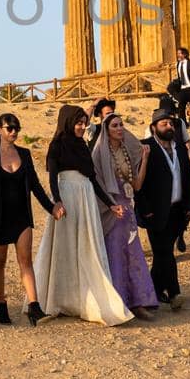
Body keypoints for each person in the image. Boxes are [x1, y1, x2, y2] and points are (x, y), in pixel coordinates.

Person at [34, 104, 133, 326]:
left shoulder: (82, 145)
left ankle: (85, 299)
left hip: (85, 196)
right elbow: (52, 178)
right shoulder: (57, 145)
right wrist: (56, 201)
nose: (82, 127)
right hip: (67, 197)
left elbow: (92, 179)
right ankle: (61, 298)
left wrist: (110, 204)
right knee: (65, 247)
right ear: (68, 123)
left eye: (84, 123)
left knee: (87, 247)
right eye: (78, 123)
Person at [0, 112, 57, 326]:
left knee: (25, 260)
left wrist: (51, 207)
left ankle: (34, 306)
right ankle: (1, 302)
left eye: (17, 128)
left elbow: (36, 186)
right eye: (9, 128)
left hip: (21, 215)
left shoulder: (25, 154)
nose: (14, 132)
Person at [89, 113, 158, 319]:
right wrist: (111, 205)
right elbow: (97, 184)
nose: (120, 129)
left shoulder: (127, 151)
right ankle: (118, 303)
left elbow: (136, 184)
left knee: (134, 254)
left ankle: (139, 301)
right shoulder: (99, 153)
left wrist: (144, 160)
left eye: (121, 125)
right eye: (115, 126)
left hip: (128, 209)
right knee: (115, 255)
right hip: (112, 210)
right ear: (106, 129)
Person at [135, 107, 190, 310]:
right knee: (164, 253)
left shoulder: (179, 147)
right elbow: (139, 185)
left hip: (177, 210)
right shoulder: (145, 147)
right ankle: (174, 293)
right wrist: (145, 210)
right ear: (154, 128)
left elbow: (189, 176)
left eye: (171, 123)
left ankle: (150, 292)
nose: (169, 126)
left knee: (164, 254)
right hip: (155, 211)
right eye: (164, 124)